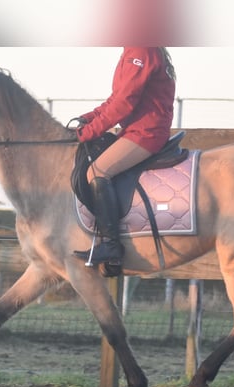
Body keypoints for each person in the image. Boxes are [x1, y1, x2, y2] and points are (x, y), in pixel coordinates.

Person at [73, 47, 176, 269]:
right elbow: (116, 98)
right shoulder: (135, 48)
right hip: (135, 131)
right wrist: (89, 118)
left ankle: (111, 245)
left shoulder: (141, 49)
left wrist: (89, 132)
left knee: (97, 171)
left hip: (145, 133)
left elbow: (124, 103)